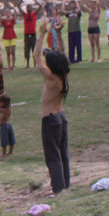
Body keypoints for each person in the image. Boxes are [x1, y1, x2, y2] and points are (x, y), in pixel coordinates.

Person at [34, 28, 71, 196]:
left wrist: (41, 34)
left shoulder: (51, 77)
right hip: (61, 117)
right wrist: (58, 33)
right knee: (63, 154)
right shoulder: (64, 77)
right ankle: (64, 185)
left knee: (53, 157)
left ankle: (58, 189)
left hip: (50, 120)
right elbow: (62, 57)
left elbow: (36, 57)